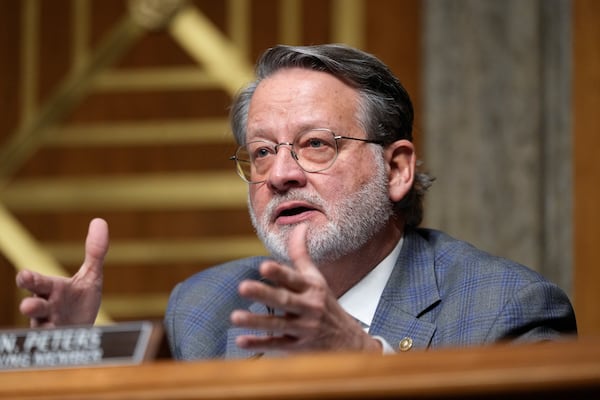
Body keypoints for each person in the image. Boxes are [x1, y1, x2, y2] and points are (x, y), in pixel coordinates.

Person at [16, 44, 577, 360]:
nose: (280, 174)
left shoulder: (507, 312)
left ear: (398, 168)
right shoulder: (203, 309)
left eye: (315, 145)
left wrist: (360, 360)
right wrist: (76, 357)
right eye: (261, 152)